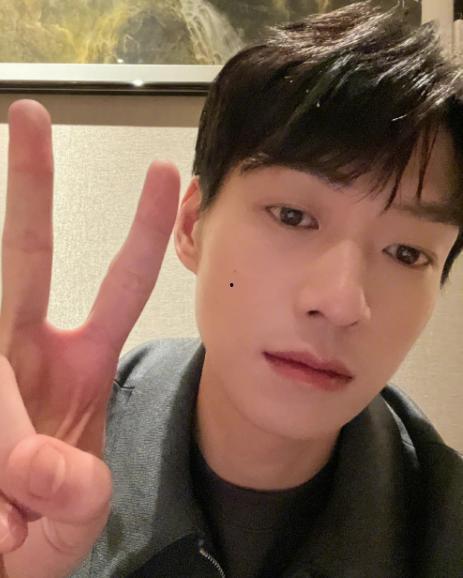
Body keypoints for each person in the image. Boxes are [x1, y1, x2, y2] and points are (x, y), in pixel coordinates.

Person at [0, 1, 462, 577]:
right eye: (292, 216)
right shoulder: (50, 443)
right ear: (193, 225)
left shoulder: (443, 524)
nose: (341, 303)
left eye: (407, 253)